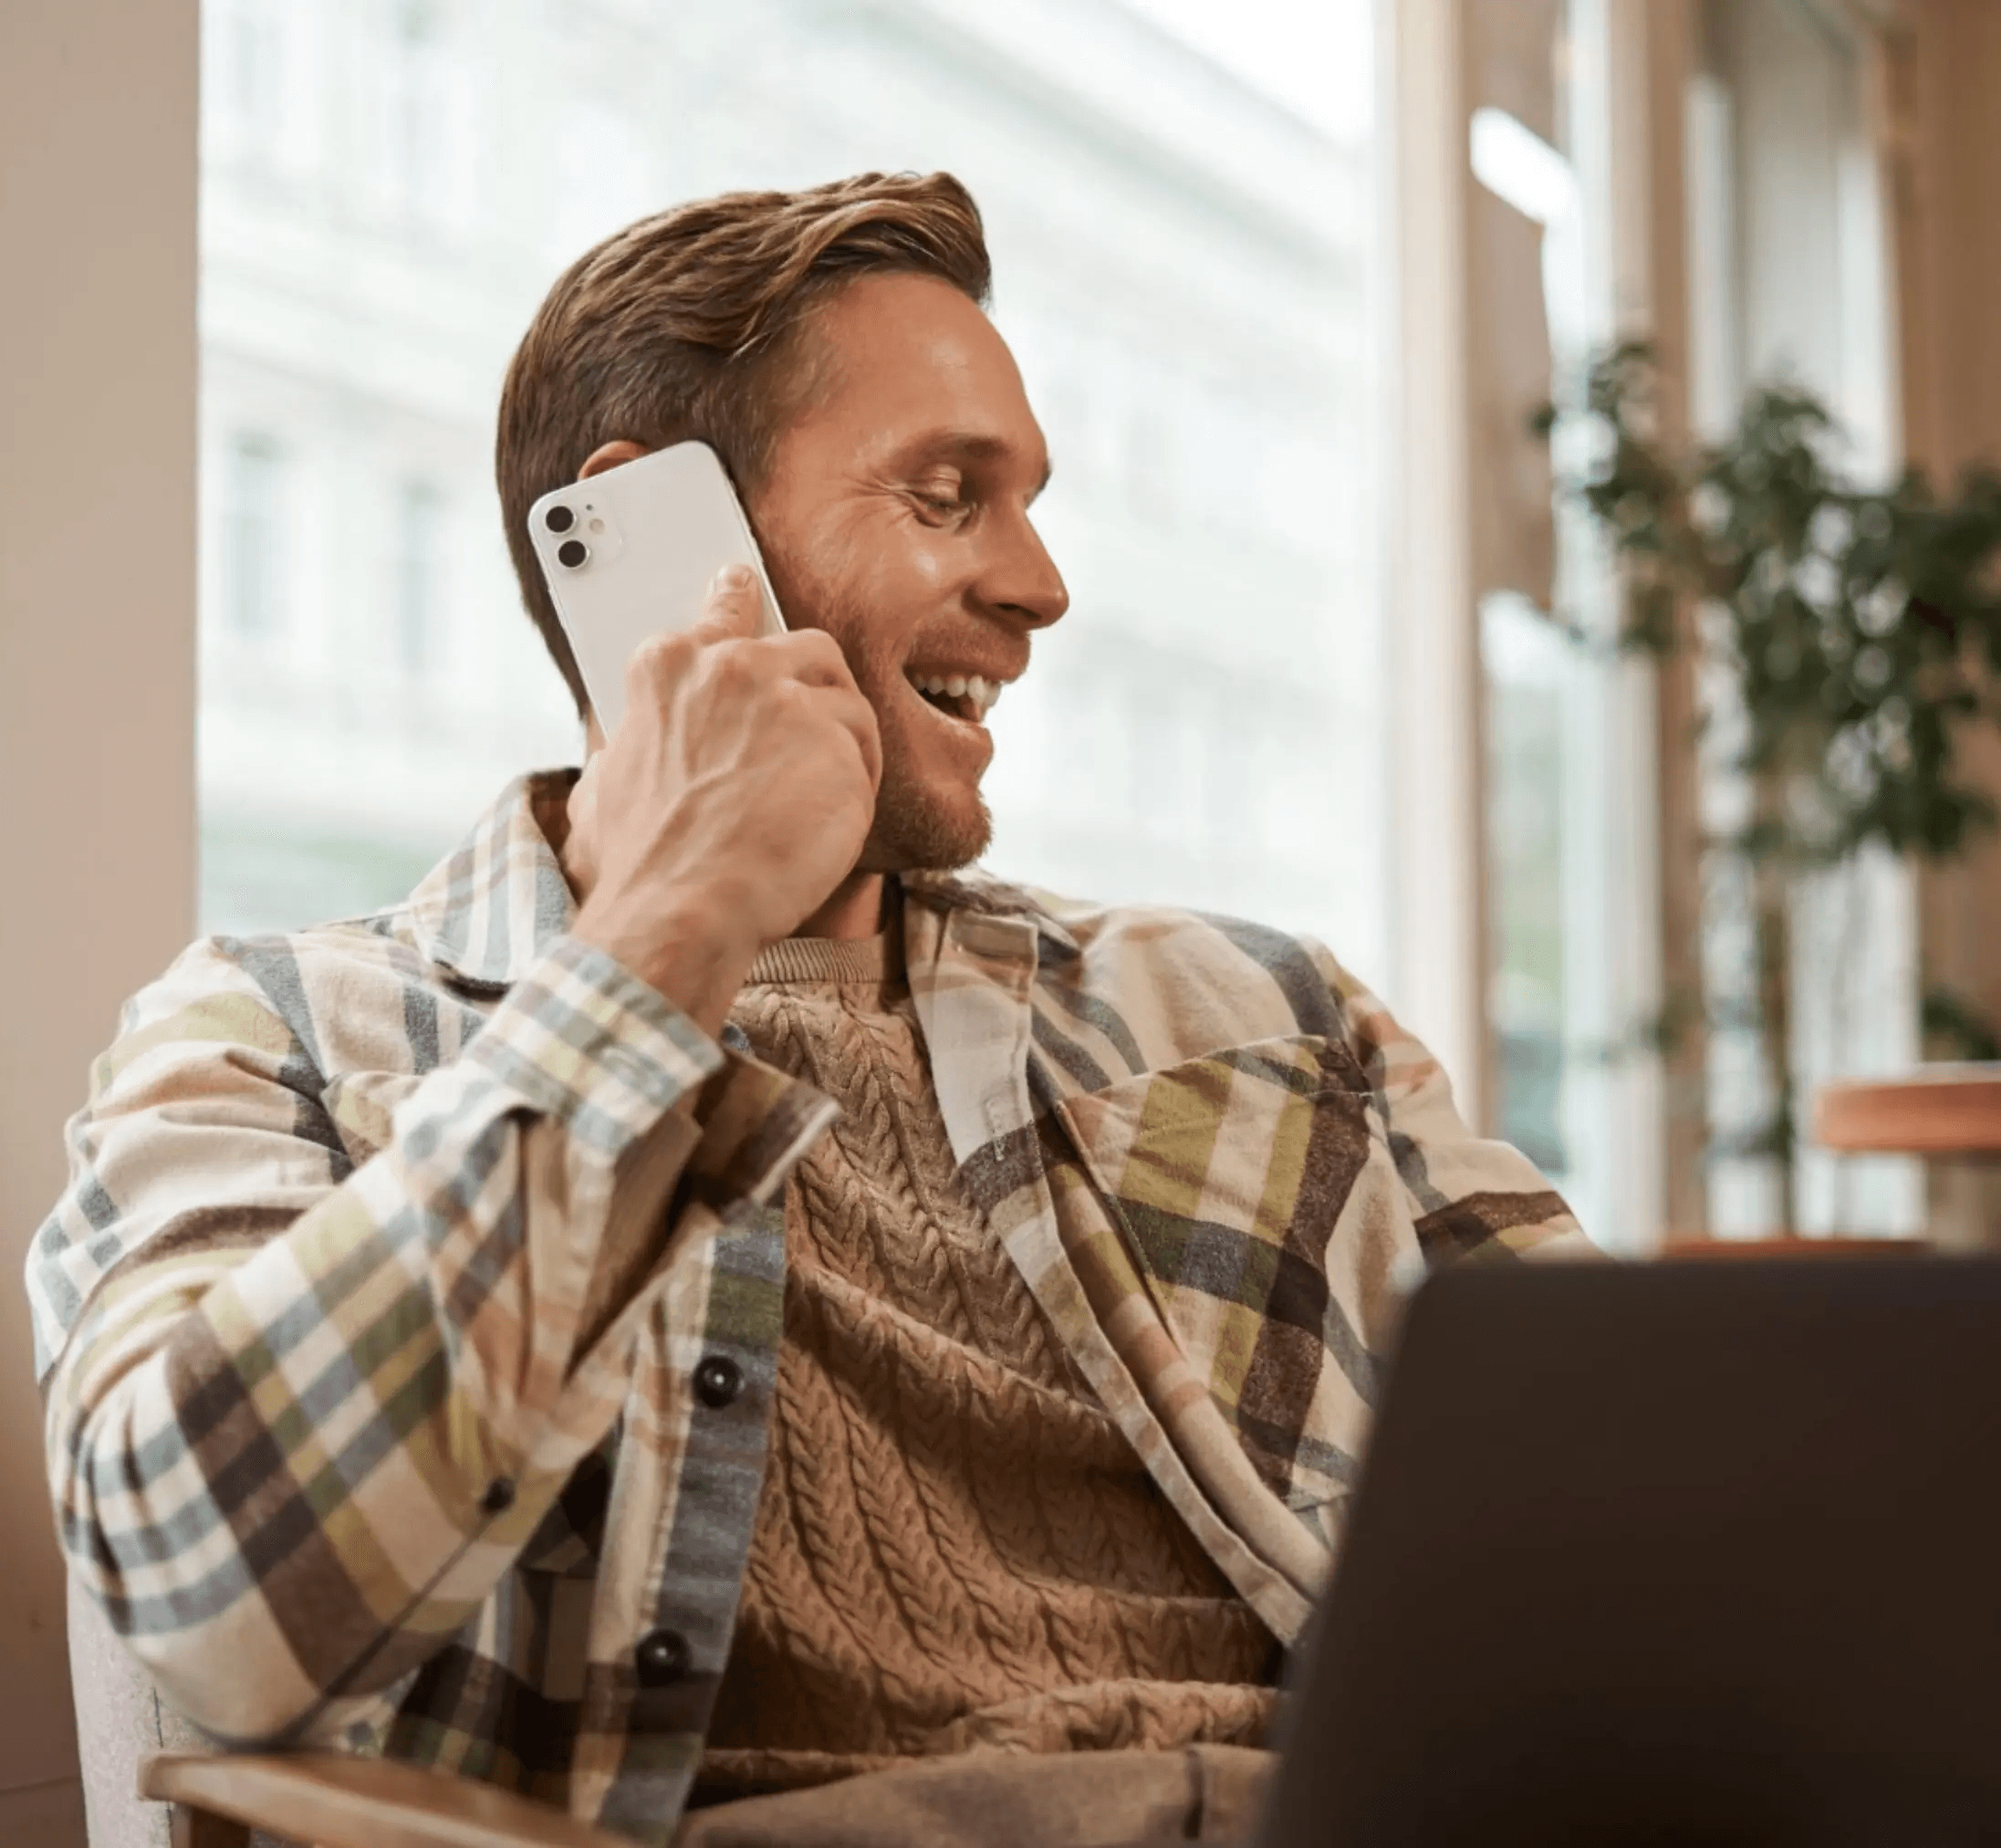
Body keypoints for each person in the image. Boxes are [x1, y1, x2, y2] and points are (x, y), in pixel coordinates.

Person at [27, 172, 1587, 1848]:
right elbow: (208, 1604)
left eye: (1030, 502)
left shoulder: (1262, 1010)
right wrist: (660, 938)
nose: (1042, 585)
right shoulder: (276, 1042)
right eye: (943, 496)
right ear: (647, 545)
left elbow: (1669, 1480)